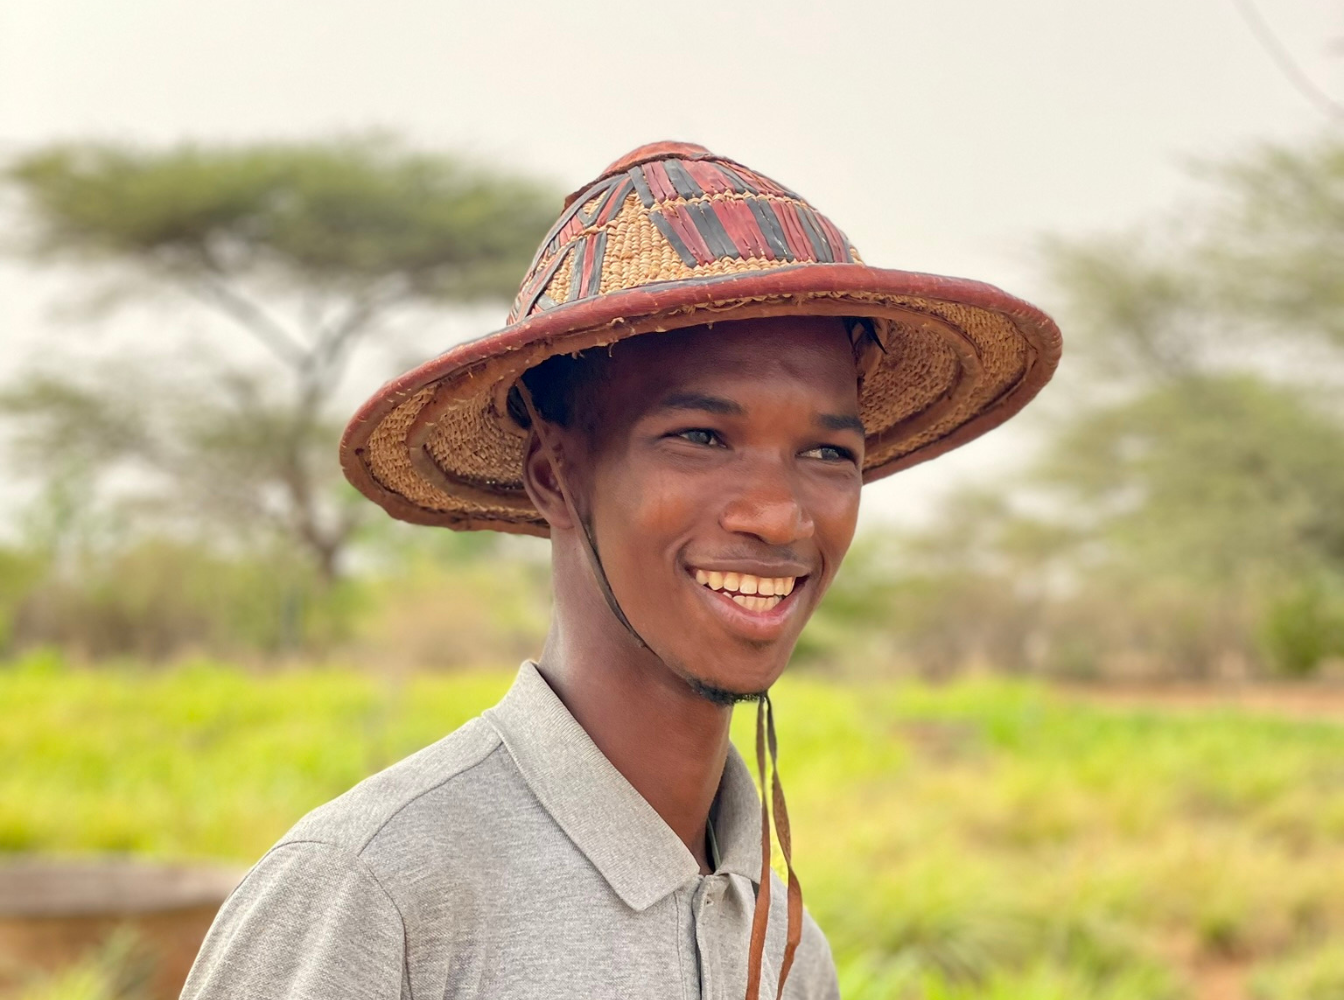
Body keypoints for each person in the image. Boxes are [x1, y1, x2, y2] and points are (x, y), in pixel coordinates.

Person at [180, 141, 1060, 1000]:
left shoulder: (781, 946)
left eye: (828, 452)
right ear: (555, 475)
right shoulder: (375, 898)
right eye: (702, 438)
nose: (780, 514)